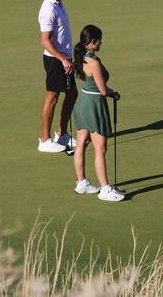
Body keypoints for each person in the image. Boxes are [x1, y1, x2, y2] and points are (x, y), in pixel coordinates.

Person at [70, 24, 125, 202]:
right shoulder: (93, 62)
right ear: (93, 42)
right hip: (94, 105)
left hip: (82, 103)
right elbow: (102, 90)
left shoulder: (81, 57)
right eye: (100, 40)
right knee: (100, 148)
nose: (102, 42)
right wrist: (113, 93)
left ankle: (82, 183)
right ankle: (105, 189)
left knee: (81, 144)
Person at [37, 0, 75, 154]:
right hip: (55, 60)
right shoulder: (48, 9)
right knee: (52, 98)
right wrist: (62, 59)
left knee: (72, 93)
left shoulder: (59, 3)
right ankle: (45, 140)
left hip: (64, 58)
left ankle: (62, 134)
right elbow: (45, 40)